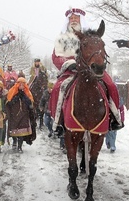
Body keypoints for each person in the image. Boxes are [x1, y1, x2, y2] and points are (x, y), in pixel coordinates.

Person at [50, 7, 124, 137]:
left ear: (81, 19)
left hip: (91, 70)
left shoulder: (90, 36)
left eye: (76, 18)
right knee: (58, 88)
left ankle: (115, 117)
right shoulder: (62, 39)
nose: (73, 20)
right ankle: (58, 122)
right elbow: (56, 57)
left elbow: (97, 51)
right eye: (71, 18)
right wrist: (69, 63)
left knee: (111, 85)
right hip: (70, 71)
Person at [5, 77, 36, 153]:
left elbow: (30, 103)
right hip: (14, 115)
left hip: (24, 115)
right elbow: (9, 103)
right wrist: (17, 96)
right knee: (15, 131)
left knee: (21, 132)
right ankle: (14, 141)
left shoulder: (27, 93)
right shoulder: (12, 91)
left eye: (23, 85)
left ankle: (20, 147)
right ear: (17, 84)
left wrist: (24, 97)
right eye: (20, 84)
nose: (21, 86)